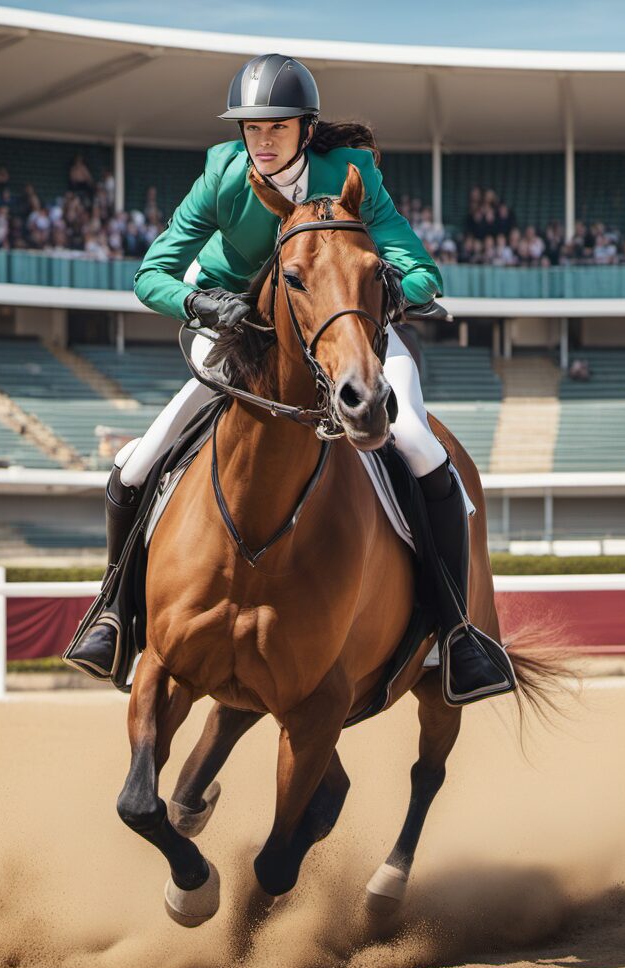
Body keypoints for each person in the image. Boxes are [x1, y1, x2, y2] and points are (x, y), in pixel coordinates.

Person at [66, 52, 512, 704]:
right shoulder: (223, 173)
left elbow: (422, 271)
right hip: (247, 338)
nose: (262, 142)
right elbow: (151, 275)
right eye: (252, 128)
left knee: (418, 442)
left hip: (353, 331)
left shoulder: (352, 174)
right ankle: (115, 616)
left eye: (277, 128)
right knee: (137, 464)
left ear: (306, 129)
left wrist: (385, 283)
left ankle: (456, 631)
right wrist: (199, 304)